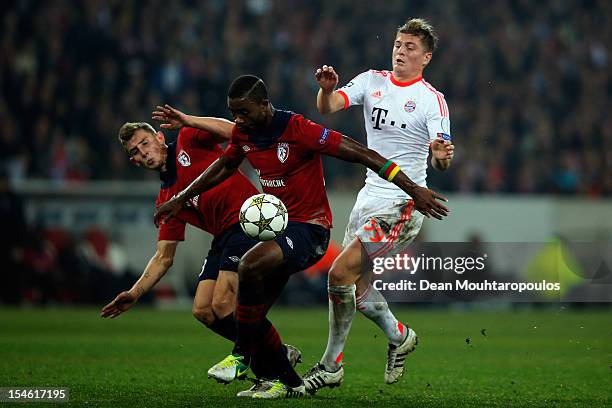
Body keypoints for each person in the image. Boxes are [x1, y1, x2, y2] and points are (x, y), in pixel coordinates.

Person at [153, 74, 448, 398]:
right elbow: (225, 165)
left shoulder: (297, 129)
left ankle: (242, 354)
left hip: (310, 230)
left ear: (265, 105)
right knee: (252, 312)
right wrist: (181, 197)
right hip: (281, 230)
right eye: (234, 113)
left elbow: (362, 153)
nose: (238, 120)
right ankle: (285, 380)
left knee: (248, 268)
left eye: (244, 112)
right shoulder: (244, 133)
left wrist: (414, 189)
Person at [302, 18, 454, 393]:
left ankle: (330, 365)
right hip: (367, 198)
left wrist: (441, 155)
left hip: (403, 204)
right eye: (398, 44)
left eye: (410, 47)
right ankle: (399, 336)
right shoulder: (372, 80)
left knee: (338, 274)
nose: (401, 51)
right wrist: (326, 91)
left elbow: (441, 158)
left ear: (426, 57)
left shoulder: (432, 100)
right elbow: (330, 107)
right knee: (354, 288)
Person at [99, 121, 301, 384]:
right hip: (222, 237)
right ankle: (278, 353)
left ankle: (275, 369)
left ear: (159, 137)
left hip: (247, 220)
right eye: (135, 152)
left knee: (222, 303)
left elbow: (234, 131)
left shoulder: (188, 138)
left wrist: (188, 119)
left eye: (145, 143)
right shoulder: (166, 199)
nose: (143, 153)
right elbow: (163, 257)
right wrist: (134, 293)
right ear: (134, 161)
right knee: (203, 309)